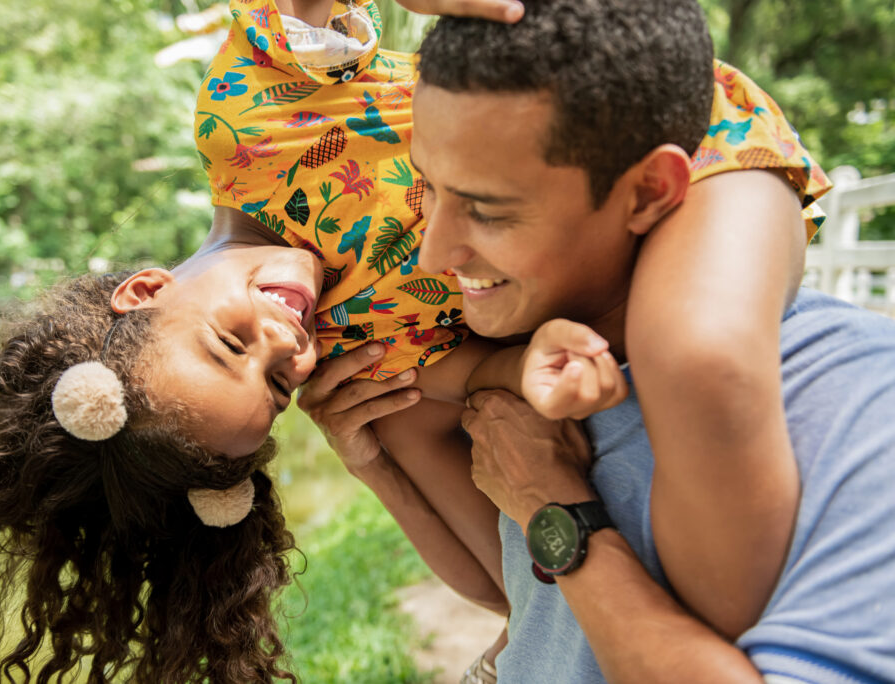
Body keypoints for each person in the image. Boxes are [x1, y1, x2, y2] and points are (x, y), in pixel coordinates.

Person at [306, 1, 895, 681]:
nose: (433, 253)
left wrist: (556, 509)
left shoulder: (856, 403)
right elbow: (529, 606)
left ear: (648, 191)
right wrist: (374, 461)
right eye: (427, 189)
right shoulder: (546, 393)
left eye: (489, 210)